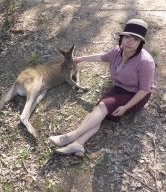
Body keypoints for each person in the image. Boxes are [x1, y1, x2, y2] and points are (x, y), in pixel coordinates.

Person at [49, 19, 155, 157]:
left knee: (102, 107)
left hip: (135, 94)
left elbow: (144, 90)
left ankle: (70, 136)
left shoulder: (145, 61)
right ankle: (78, 144)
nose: (129, 42)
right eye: (127, 37)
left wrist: (125, 107)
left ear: (141, 43)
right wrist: (81, 58)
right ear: (122, 37)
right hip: (119, 89)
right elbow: (102, 57)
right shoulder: (117, 51)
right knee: (97, 113)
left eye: (135, 39)